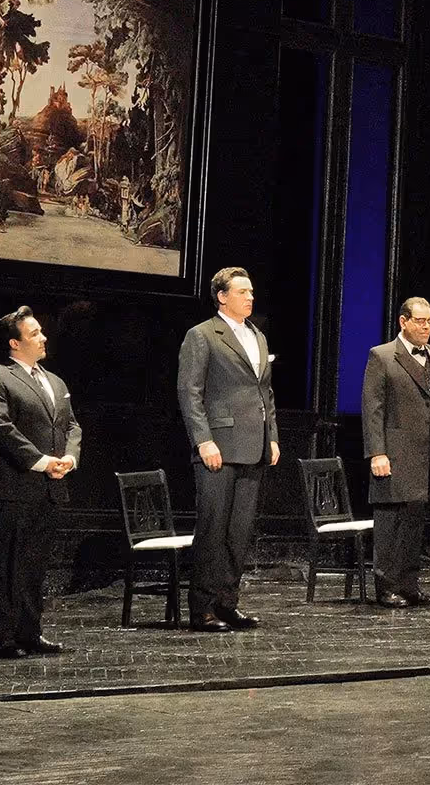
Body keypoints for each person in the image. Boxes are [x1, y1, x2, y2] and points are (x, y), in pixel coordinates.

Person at [176, 267, 279, 632]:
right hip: (218, 445)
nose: (250, 297)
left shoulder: (258, 336)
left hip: (253, 446)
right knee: (213, 529)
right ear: (222, 296)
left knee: (239, 531)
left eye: (251, 292)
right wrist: (203, 440)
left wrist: (272, 436)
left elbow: (264, 392)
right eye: (242, 292)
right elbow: (190, 393)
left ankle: (227, 602)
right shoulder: (202, 335)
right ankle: (202, 607)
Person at [0, 305, 80, 656]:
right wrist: (40, 461)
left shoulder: (55, 381)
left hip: (50, 488)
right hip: (15, 487)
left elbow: (72, 425)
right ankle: (3, 637)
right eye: (34, 333)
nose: (43, 337)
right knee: (7, 565)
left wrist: (68, 457)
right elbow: (1, 427)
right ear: (14, 343)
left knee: (35, 565)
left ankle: (30, 632)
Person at [361, 297, 430, 607]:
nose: (426, 327)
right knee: (390, 520)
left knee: (414, 520)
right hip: (395, 450)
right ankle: (386, 586)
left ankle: (409, 584)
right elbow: (372, 409)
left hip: (427, 452)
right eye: (420, 321)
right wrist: (377, 452)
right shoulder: (383, 356)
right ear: (404, 322)